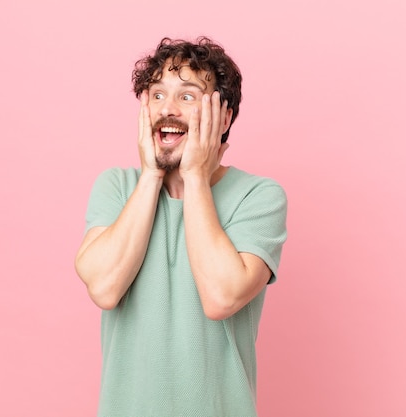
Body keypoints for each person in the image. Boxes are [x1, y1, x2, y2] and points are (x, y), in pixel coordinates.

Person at [75, 36, 288, 417]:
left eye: (187, 97)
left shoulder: (259, 196)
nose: (166, 110)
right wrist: (152, 174)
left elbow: (222, 297)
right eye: (157, 95)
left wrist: (194, 177)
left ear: (224, 116)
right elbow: (105, 288)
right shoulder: (116, 187)